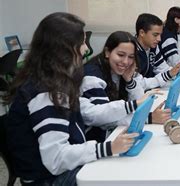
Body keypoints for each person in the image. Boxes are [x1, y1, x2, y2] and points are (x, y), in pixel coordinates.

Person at [5, 12, 139, 185]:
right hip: (49, 179)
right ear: (64, 48)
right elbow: (56, 159)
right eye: (82, 42)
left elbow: (89, 112)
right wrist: (107, 148)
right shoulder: (46, 92)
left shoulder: (51, 80)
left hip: (58, 169)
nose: (86, 49)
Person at [82, 31, 170, 142]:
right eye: (120, 55)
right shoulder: (92, 76)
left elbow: (139, 102)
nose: (125, 61)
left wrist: (129, 81)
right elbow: (103, 119)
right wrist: (148, 118)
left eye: (131, 57)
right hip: (95, 140)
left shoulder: (122, 71)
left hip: (113, 135)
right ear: (107, 52)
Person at [135, 13, 180, 90]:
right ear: (142, 33)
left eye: (160, 35)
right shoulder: (131, 51)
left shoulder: (153, 47)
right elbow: (139, 84)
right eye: (155, 35)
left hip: (149, 91)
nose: (159, 39)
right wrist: (168, 75)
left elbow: (163, 68)